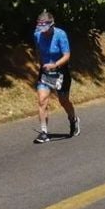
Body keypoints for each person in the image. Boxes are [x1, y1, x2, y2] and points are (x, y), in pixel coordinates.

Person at [33, 11, 78, 143]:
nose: (44, 32)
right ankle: (44, 132)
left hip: (60, 72)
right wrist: (40, 62)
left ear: (52, 25)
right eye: (41, 29)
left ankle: (73, 118)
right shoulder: (37, 35)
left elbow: (67, 55)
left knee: (63, 101)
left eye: (46, 29)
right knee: (42, 100)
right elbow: (38, 49)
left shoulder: (61, 35)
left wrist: (55, 65)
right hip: (45, 72)